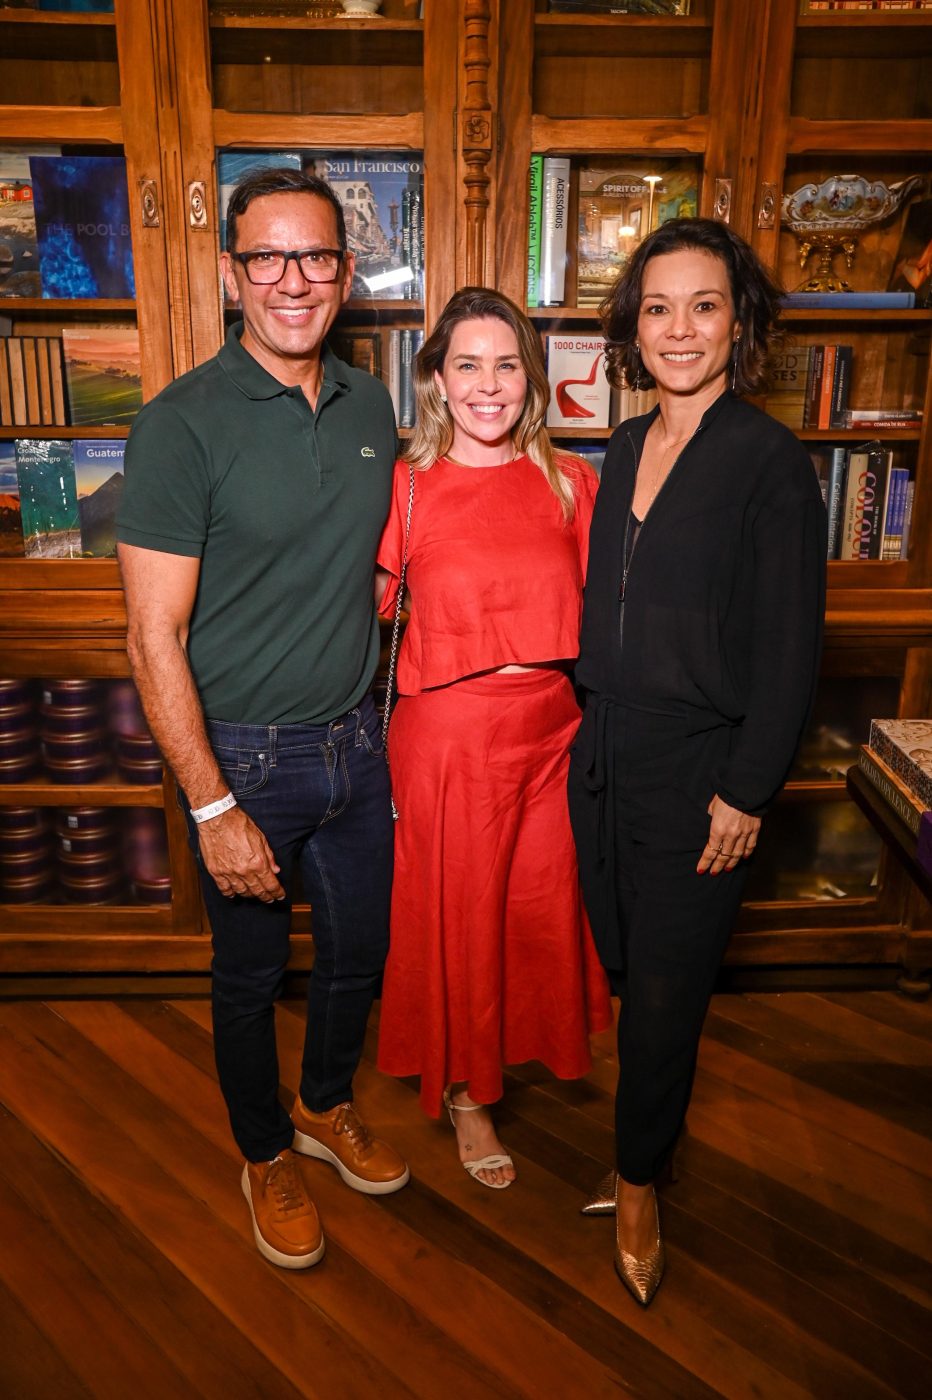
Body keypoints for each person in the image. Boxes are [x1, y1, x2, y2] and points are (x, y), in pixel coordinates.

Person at [116, 167, 409, 1272]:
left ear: (344, 271)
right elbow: (151, 637)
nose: (295, 280)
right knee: (246, 976)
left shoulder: (372, 403)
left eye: (317, 256)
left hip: (355, 744)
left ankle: (324, 1103)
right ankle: (262, 1151)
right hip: (241, 752)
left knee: (356, 956)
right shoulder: (180, 424)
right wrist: (211, 803)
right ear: (232, 272)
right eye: (270, 257)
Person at [568, 218, 826, 1305]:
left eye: (704, 304)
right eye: (658, 306)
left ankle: (635, 1183)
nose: (679, 328)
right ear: (633, 322)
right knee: (623, 965)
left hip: (699, 771)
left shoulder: (769, 461)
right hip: (604, 756)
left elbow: (789, 646)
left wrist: (745, 787)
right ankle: (648, 1139)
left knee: (668, 995)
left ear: (738, 321)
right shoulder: (622, 444)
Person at [375, 287, 611, 1189]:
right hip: (449, 741)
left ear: (530, 377)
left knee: (540, 912)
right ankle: (471, 1098)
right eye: (466, 364)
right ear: (436, 379)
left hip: (553, 734)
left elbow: (612, 619)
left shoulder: (570, 481)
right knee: (462, 921)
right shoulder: (407, 484)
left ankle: (525, 1051)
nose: (488, 384)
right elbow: (365, 608)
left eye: (505, 364)